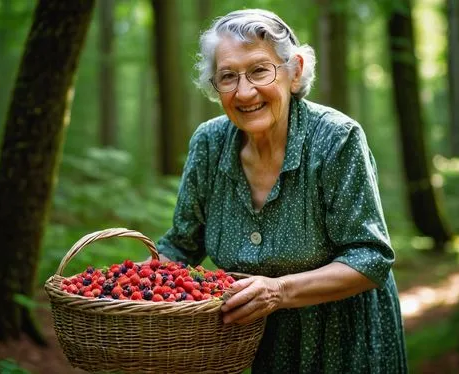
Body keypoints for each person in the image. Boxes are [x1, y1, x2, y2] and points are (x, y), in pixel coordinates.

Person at [156, 8, 408, 374]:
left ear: (295, 70)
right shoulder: (209, 144)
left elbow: (371, 258)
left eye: (259, 70)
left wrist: (279, 291)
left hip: (347, 346)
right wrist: (117, 287)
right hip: (259, 347)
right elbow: (180, 246)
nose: (244, 92)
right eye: (227, 76)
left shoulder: (336, 139)